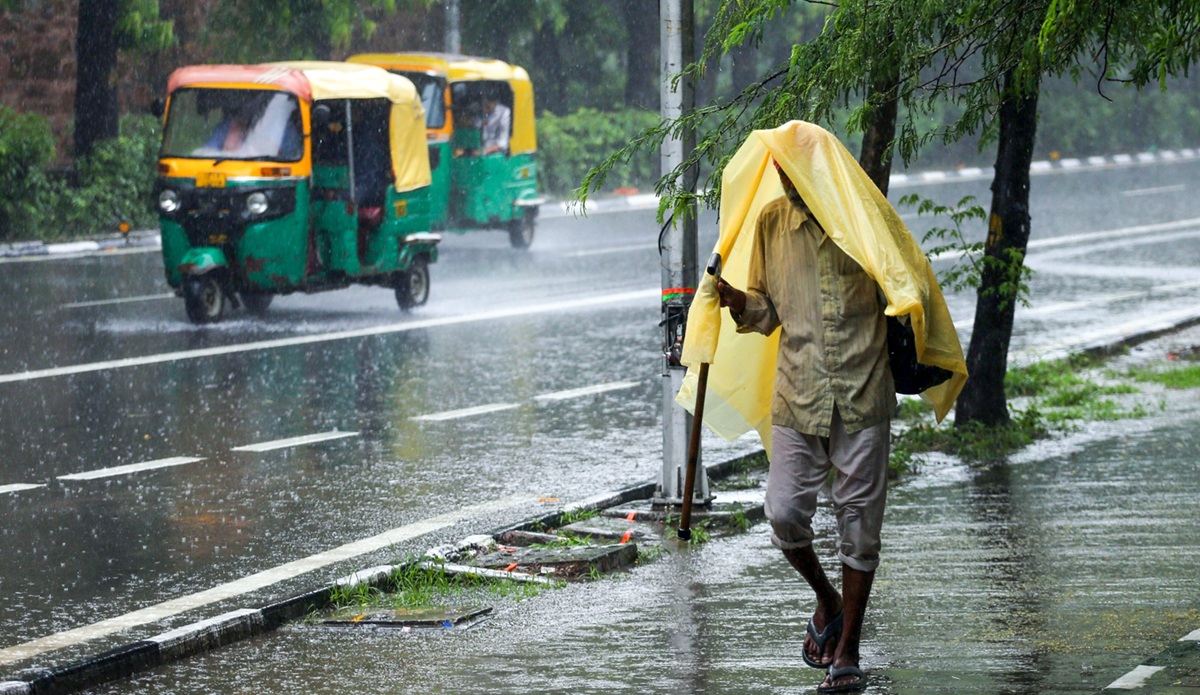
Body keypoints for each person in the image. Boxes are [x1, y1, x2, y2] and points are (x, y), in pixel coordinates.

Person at [715, 158, 893, 694]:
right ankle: (828, 598)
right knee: (785, 513)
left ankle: (849, 650)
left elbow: (904, 284)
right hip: (798, 393)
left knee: (859, 528)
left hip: (864, 389)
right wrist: (739, 303)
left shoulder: (864, 215)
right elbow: (768, 311)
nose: (790, 181)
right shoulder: (772, 221)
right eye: (784, 171)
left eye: (798, 169)